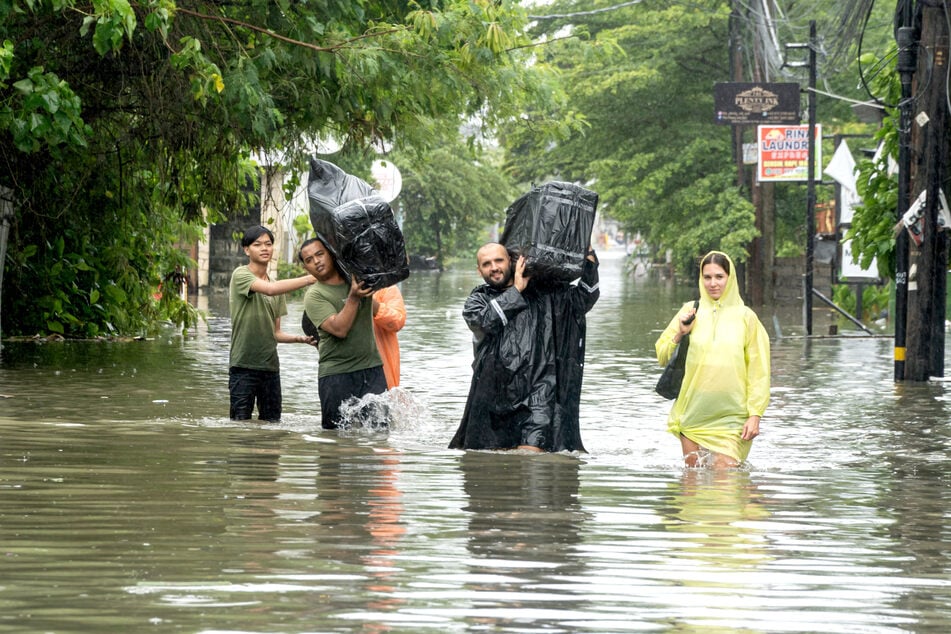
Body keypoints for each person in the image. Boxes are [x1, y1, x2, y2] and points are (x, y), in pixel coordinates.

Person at [449, 242, 600, 452]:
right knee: (492, 464)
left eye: (498, 260)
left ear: (511, 261)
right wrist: (516, 290)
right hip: (495, 395)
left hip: (539, 392)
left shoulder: (545, 293)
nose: (494, 267)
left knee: (530, 458)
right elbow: (484, 321)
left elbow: (584, 299)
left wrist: (590, 261)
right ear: (479, 270)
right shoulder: (478, 299)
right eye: (487, 264)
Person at [655, 250, 770, 469]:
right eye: (707, 277)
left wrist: (755, 414)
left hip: (732, 419)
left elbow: (759, 371)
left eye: (719, 277)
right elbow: (661, 354)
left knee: (724, 484)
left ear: (730, 278)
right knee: (691, 488)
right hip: (693, 414)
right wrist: (680, 333)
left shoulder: (747, 318)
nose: (713, 283)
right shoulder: (690, 311)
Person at [229, 225, 317, 422]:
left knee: (272, 426)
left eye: (268, 244)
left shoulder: (277, 286)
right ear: (246, 250)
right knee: (239, 426)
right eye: (257, 244)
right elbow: (269, 289)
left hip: (270, 367)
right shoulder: (241, 275)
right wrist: (311, 278)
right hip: (243, 365)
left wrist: (300, 339)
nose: (264, 248)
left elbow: (275, 333)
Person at [298, 237, 387, 429]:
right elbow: (340, 330)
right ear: (306, 269)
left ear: (331, 253)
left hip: (371, 370)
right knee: (335, 441)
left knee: (379, 435)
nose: (317, 261)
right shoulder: (314, 295)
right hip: (336, 375)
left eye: (320, 254)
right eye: (309, 260)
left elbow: (377, 309)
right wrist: (353, 297)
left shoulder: (356, 278)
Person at [372, 284, 406, 389]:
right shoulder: (330, 286)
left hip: (383, 375)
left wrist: (369, 301)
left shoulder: (386, 289)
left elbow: (397, 322)